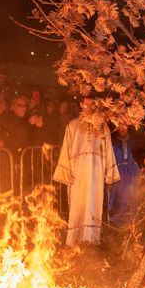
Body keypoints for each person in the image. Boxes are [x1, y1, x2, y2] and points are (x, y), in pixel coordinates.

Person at [53, 98, 120, 246]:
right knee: (78, 204)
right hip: (78, 173)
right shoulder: (72, 125)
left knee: (93, 204)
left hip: (96, 172)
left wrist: (109, 172)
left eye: (93, 104)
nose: (89, 107)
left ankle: (91, 242)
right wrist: (66, 170)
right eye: (87, 104)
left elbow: (108, 150)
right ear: (81, 105)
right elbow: (66, 149)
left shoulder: (103, 127)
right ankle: (75, 242)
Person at [108, 124, 140, 227]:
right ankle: (115, 226)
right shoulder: (112, 141)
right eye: (120, 125)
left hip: (131, 173)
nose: (123, 128)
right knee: (117, 198)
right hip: (117, 174)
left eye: (125, 125)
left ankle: (131, 226)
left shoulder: (134, 140)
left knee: (131, 197)